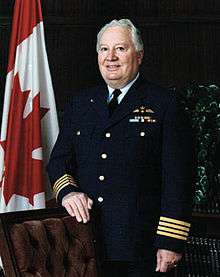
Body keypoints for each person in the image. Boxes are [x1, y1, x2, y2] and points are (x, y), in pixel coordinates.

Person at [47, 19, 194, 276]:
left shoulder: (165, 104)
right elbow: (59, 161)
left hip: (141, 247)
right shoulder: (81, 104)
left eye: (120, 49)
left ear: (139, 55)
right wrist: (69, 192)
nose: (110, 57)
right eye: (104, 49)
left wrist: (170, 242)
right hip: (84, 243)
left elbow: (179, 179)